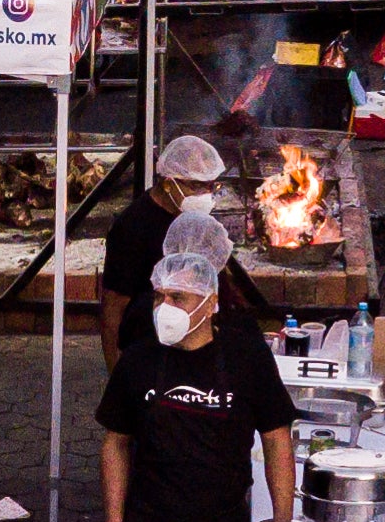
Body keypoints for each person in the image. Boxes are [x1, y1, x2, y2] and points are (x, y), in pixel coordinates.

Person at [102, 217, 298, 522]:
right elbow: (115, 443)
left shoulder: (247, 357)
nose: (165, 309)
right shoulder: (138, 359)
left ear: (210, 304)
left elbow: (276, 439)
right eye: (159, 297)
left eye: (178, 298)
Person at [102, 140, 269, 363]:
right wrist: (115, 370)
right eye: (195, 186)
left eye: (211, 186)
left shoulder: (195, 217)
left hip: (199, 339)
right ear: (168, 184)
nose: (205, 194)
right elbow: (114, 306)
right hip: (151, 340)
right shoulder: (132, 228)